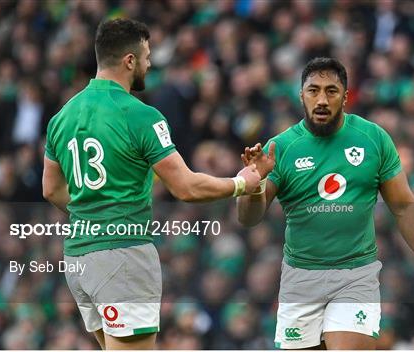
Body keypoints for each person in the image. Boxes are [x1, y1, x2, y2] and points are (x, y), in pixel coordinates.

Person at [42, 18, 260, 350]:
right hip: (122, 257)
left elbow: (51, 189)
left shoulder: (62, 117)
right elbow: (186, 187)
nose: (149, 63)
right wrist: (240, 183)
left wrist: (92, 216)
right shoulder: (140, 115)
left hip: (79, 258)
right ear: (129, 60)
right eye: (146, 55)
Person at [237, 57, 414, 350]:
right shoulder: (280, 148)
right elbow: (249, 218)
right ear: (301, 95)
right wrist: (253, 183)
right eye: (313, 90)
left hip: (355, 274)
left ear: (345, 97)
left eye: (331, 91)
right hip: (300, 278)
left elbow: (403, 206)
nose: (322, 99)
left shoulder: (373, 139)